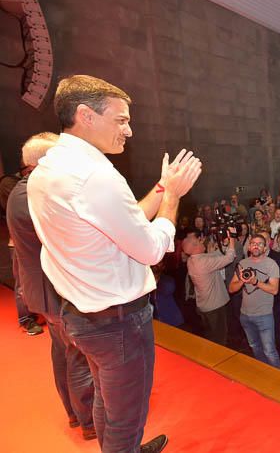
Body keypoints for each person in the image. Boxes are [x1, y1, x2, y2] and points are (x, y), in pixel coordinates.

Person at [27, 75, 202, 452]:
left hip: (81, 312)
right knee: (127, 420)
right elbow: (153, 248)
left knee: (107, 398)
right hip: (117, 321)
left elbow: (125, 223)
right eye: (120, 119)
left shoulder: (49, 167)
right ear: (86, 115)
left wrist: (159, 186)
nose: (130, 130)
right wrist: (172, 196)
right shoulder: (95, 176)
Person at [6, 132, 95, 440]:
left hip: (40, 288)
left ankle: (74, 413)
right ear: (43, 161)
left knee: (62, 350)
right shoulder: (32, 193)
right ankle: (89, 420)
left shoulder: (21, 191)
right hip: (53, 289)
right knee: (78, 354)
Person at [228, 234, 280, 367]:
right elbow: (231, 288)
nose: (256, 246)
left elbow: (274, 290)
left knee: (269, 351)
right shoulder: (242, 263)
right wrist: (242, 281)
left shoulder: (271, 264)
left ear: (265, 248)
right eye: (253, 243)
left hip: (264, 315)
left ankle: (278, 381)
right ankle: (264, 374)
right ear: (249, 247)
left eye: (260, 244)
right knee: (255, 347)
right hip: (245, 315)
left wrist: (255, 281)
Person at [182, 232, 237, 346]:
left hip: (205, 306)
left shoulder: (192, 260)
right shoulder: (202, 262)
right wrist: (232, 239)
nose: (202, 242)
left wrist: (224, 245)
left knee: (211, 337)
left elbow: (213, 256)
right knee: (219, 340)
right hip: (215, 308)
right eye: (199, 241)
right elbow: (229, 258)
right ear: (195, 246)